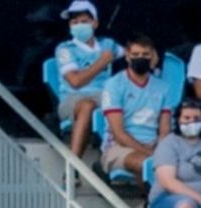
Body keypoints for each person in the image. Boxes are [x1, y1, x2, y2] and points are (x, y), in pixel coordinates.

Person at [53, 1, 117, 162]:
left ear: (95, 23)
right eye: (74, 22)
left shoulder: (107, 44)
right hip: (74, 99)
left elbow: (133, 54)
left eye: (83, 21)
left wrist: (151, 57)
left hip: (105, 98)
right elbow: (75, 82)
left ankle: (110, 162)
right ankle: (73, 166)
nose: (79, 26)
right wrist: (102, 62)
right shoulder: (65, 49)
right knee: (87, 105)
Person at [98, 36, 170, 178]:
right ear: (127, 56)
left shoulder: (163, 87)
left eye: (145, 54)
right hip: (119, 147)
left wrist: (159, 151)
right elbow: (119, 134)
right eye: (135, 54)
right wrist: (151, 154)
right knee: (147, 165)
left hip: (154, 146)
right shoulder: (114, 85)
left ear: (153, 55)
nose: (140, 58)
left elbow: (164, 131)